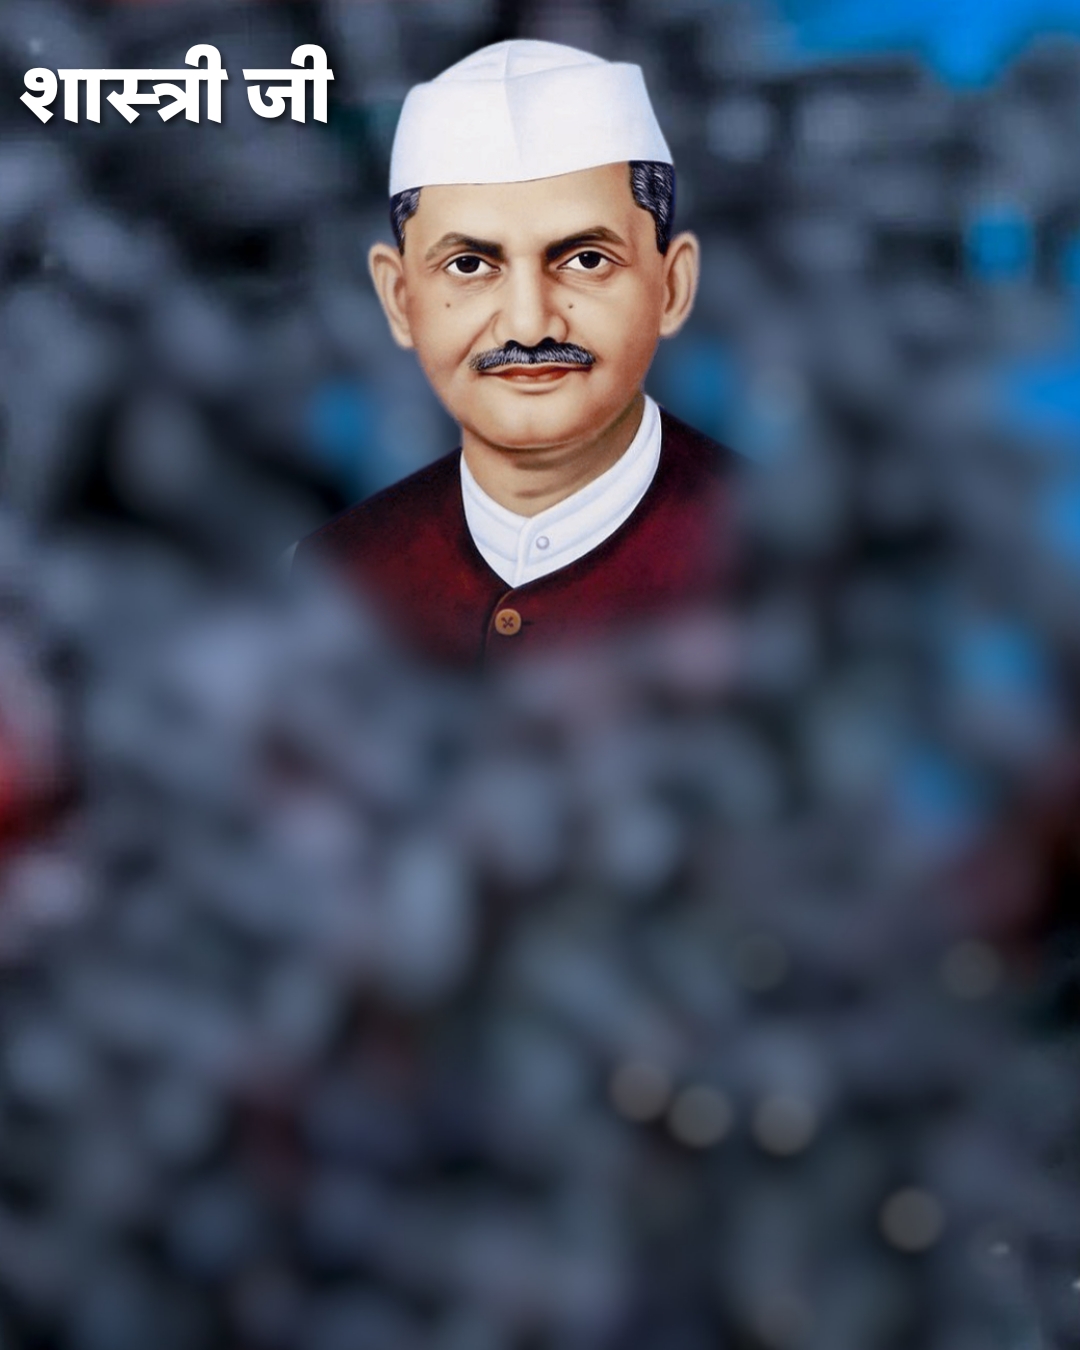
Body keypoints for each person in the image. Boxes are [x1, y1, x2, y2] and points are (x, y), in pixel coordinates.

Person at [294, 39, 737, 669]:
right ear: (398, 299)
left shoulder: (787, 557)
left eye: (586, 260)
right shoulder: (335, 575)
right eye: (470, 265)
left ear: (672, 286)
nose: (529, 326)